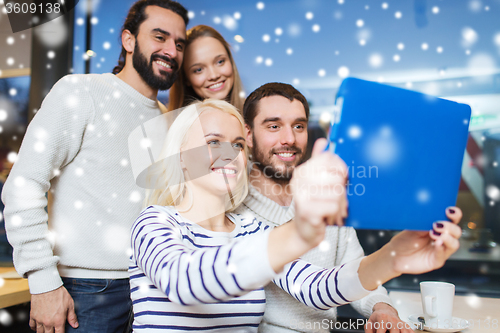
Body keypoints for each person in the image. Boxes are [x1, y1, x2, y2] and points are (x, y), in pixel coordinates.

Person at [129, 98, 462, 332]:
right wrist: (300, 231)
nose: (229, 154)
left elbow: (318, 288)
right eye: (213, 142)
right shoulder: (155, 221)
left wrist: (394, 256)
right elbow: (185, 282)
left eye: (238, 145)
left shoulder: (251, 230)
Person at [1, 1, 188, 332]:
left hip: (153, 292)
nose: (171, 50)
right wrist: (42, 280)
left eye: (179, 44)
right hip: (85, 293)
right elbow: (25, 183)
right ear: (128, 40)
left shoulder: (167, 122)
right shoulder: (81, 92)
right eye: (159, 37)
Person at [234, 82, 459, 333]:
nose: (289, 139)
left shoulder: (331, 198)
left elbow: (355, 270)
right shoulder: (232, 208)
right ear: (249, 134)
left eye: (299, 126)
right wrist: (393, 257)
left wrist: (382, 308)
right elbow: (317, 288)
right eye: (274, 126)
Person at [168, 24, 245, 111]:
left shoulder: (255, 116)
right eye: (199, 70)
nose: (214, 75)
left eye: (220, 62)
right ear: (186, 79)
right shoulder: (181, 124)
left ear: (230, 61)